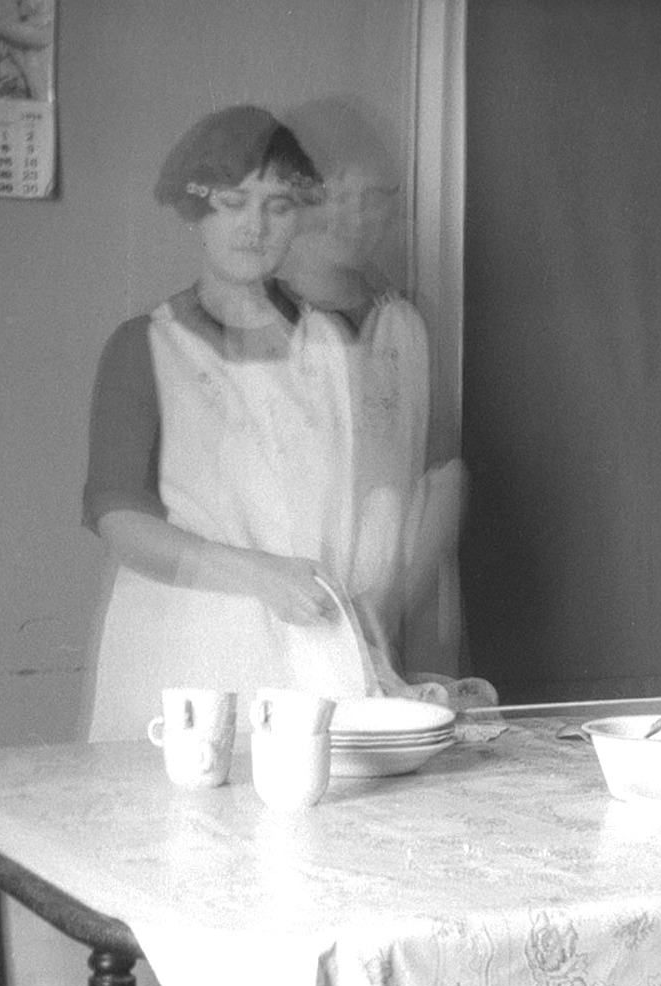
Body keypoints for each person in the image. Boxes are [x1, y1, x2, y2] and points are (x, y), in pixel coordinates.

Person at [80, 104, 413, 744]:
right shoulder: (145, 346)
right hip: (184, 656)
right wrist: (259, 576)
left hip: (308, 644)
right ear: (195, 212)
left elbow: (360, 504)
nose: (254, 227)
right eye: (233, 203)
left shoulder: (332, 346)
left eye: (278, 206)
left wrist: (366, 624)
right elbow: (121, 522)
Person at [279, 97, 479, 703]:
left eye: (373, 198)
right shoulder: (254, 325)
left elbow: (445, 475)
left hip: (389, 613)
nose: (354, 217)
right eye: (333, 195)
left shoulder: (405, 325)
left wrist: (390, 604)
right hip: (285, 616)